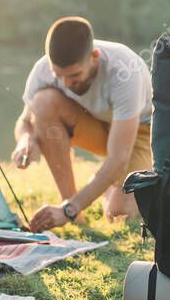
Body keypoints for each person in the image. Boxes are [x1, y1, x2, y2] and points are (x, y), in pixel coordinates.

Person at [13, 16, 153, 232]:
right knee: (43, 101)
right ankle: (72, 206)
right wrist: (25, 140)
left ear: (94, 57)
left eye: (74, 75)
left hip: (138, 132)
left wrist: (66, 210)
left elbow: (119, 159)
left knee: (120, 214)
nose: (66, 84)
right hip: (96, 124)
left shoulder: (125, 71)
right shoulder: (43, 69)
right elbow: (24, 121)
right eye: (59, 76)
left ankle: (88, 197)